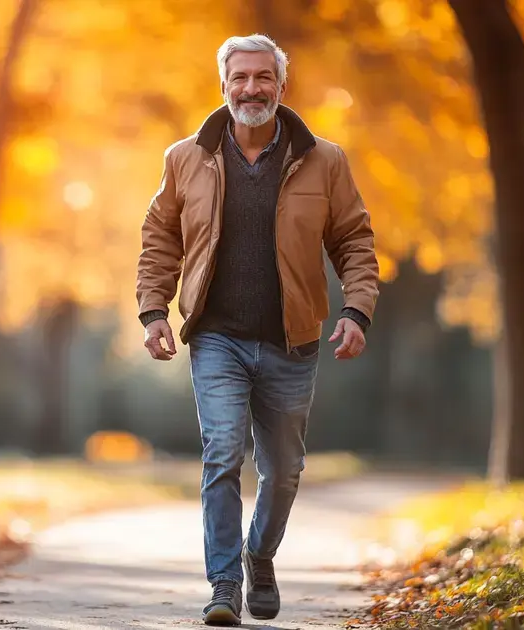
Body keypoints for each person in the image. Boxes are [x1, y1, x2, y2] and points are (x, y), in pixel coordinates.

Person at [134, 34, 379, 626]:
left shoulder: (325, 160)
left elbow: (354, 241)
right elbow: (160, 236)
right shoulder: (185, 157)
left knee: (284, 470)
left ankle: (259, 554)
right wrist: (153, 310)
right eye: (240, 77)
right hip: (215, 335)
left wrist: (356, 310)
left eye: (263, 77)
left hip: (292, 340)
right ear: (223, 85)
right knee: (221, 454)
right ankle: (224, 586)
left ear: (280, 85)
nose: (251, 88)